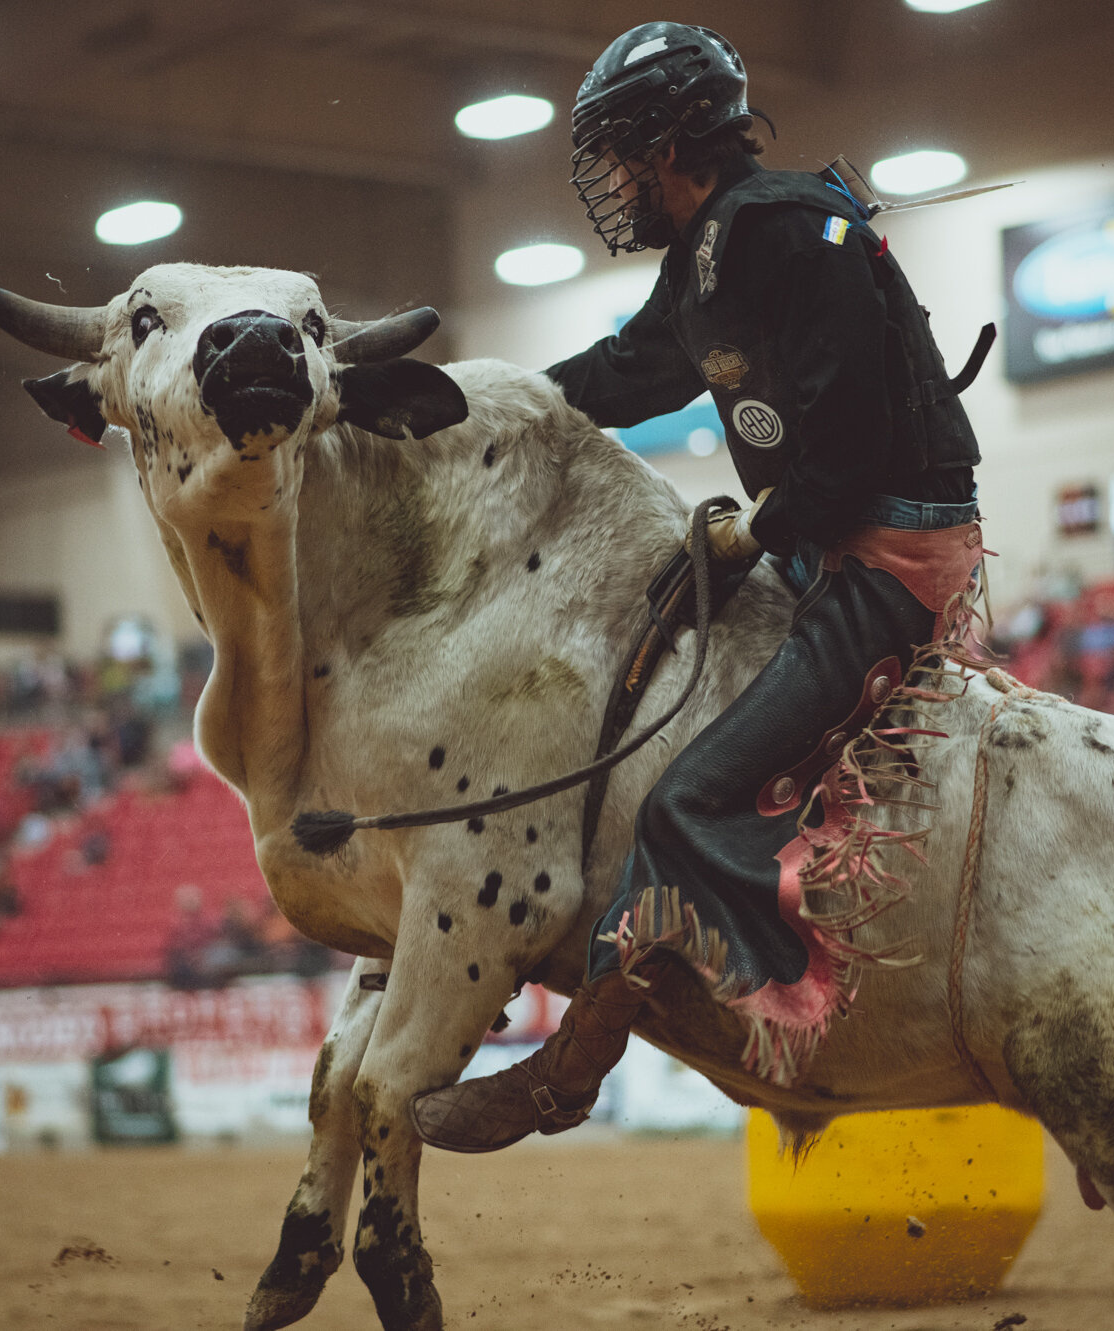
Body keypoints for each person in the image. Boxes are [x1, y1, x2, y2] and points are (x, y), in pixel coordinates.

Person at [412, 21, 985, 1153]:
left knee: (680, 800)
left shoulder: (793, 238)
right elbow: (623, 374)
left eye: (621, 154)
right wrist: (475, 401)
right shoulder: (714, 256)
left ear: (673, 143)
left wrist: (756, 531)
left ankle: (623, 1064)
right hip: (820, 551)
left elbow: (852, 449)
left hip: (883, 562)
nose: (615, 183)